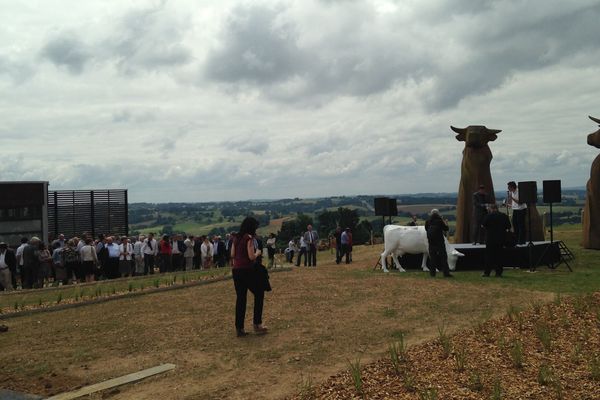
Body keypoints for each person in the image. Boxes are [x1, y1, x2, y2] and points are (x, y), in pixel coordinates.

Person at [231, 217, 268, 337]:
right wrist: (258, 252)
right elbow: (251, 257)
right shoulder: (249, 238)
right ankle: (257, 324)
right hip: (248, 270)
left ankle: (239, 328)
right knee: (259, 293)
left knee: (241, 299)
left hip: (236, 270)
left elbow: (232, 254)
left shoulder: (236, 237)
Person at [481, 204, 512, 277]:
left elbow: (482, 225)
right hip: (500, 239)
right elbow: (509, 227)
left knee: (489, 256)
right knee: (499, 256)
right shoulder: (504, 216)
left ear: (491, 209)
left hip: (490, 239)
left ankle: (487, 272)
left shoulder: (488, 216)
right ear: (497, 208)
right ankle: (498, 273)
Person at [425, 209, 453, 278]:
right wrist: (444, 222)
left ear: (431, 214)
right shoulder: (440, 221)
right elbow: (446, 229)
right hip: (440, 242)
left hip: (431, 243)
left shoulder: (428, 221)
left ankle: (432, 274)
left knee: (433, 258)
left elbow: (426, 229)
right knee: (443, 258)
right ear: (438, 214)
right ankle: (446, 273)